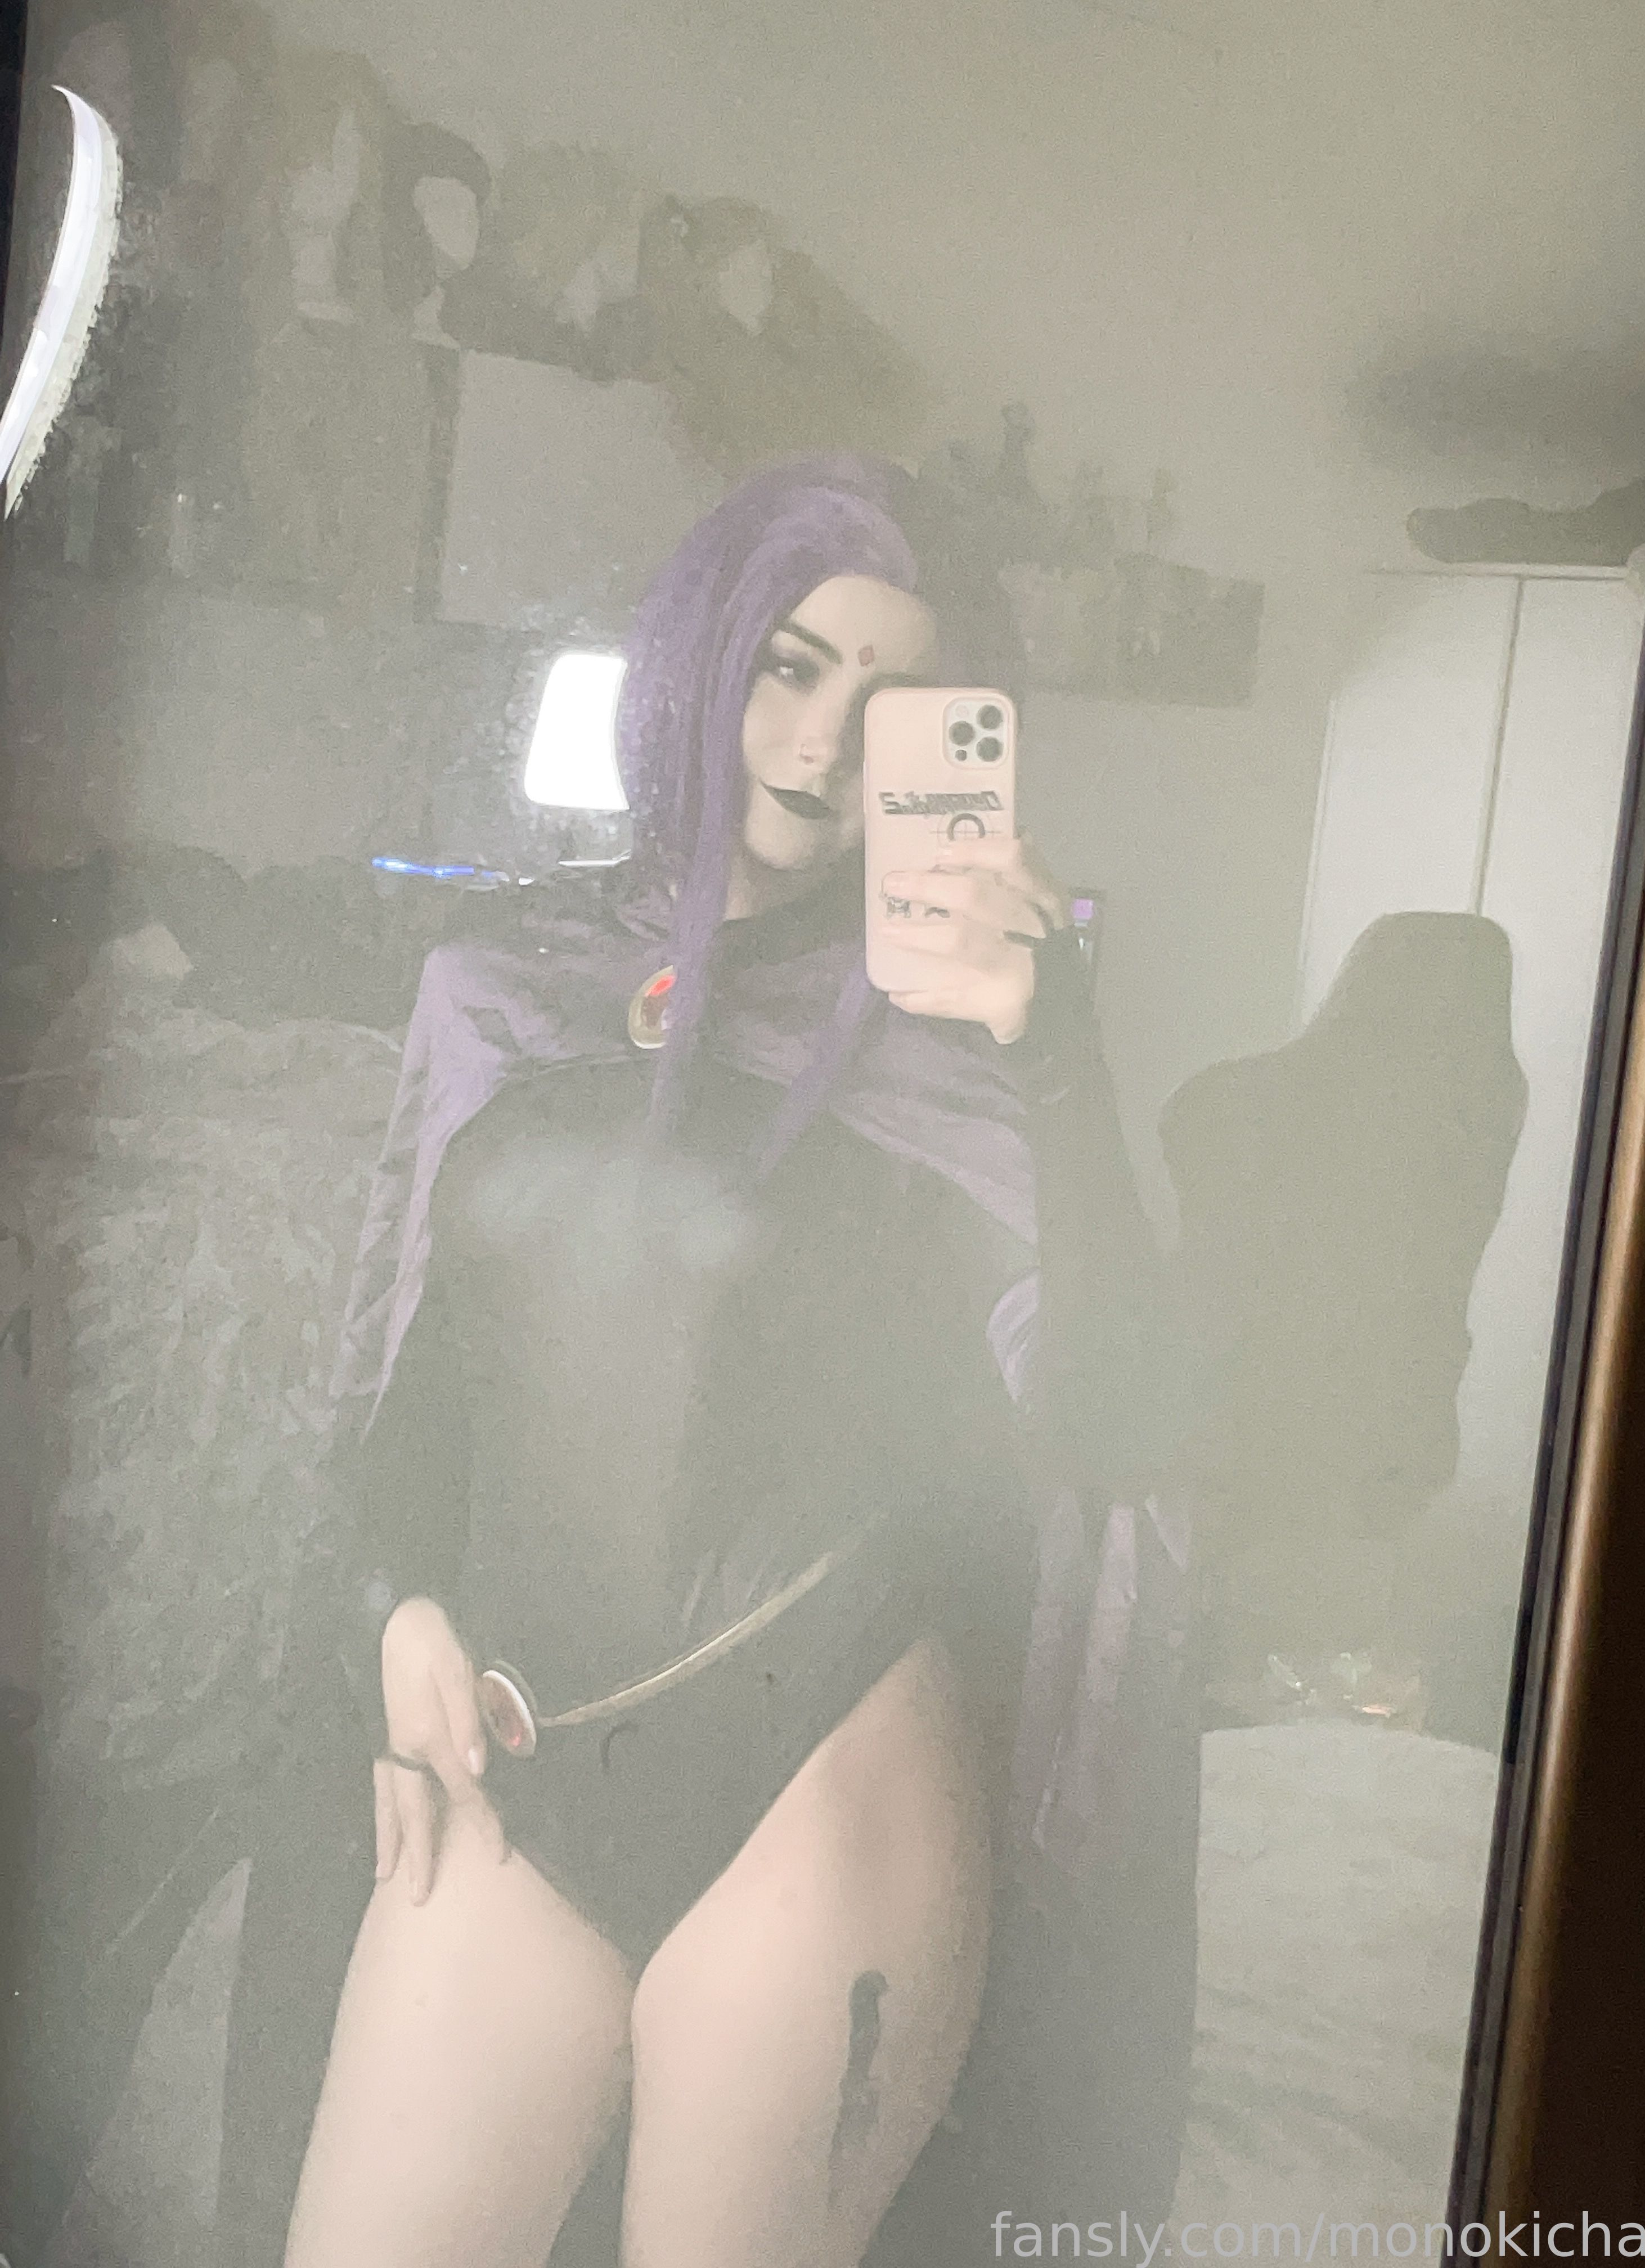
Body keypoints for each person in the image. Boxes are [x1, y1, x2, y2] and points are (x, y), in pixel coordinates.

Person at [221, 455, 1197, 2268]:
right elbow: (415, 1379)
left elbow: (1124, 1428)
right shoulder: (498, 987)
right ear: (701, 659)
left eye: (890, 702)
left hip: (825, 1796)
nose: (824, 744)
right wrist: (393, 1608)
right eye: (790, 667)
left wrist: (1057, 1049)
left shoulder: (969, 1044)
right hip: (531, 1753)